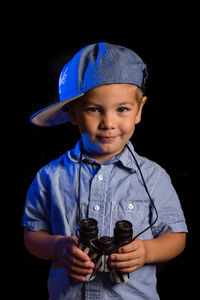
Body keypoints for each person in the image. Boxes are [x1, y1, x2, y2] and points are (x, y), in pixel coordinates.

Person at [22, 42, 188, 300]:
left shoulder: (154, 177)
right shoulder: (49, 177)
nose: (108, 123)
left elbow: (176, 237)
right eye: (93, 109)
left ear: (139, 110)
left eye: (122, 109)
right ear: (73, 114)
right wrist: (58, 247)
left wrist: (146, 251)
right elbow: (32, 234)